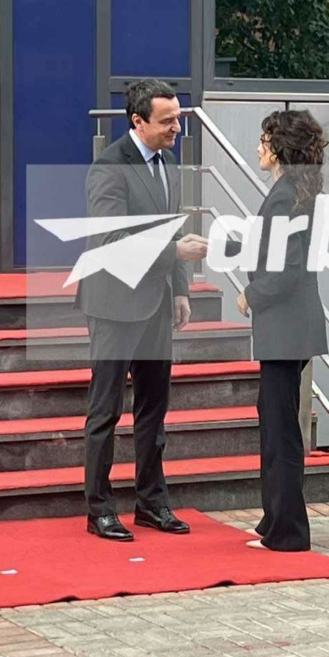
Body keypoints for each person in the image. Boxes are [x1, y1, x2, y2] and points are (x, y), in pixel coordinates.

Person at [77, 79, 208, 541]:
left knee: (154, 411)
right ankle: (99, 510)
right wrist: (175, 254)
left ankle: (152, 503)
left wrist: (180, 289)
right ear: (137, 121)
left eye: (178, 118)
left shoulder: (168, 163)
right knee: (106, 411)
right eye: (167, 120)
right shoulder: (108, 167)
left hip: (156, 303)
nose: (177, 128)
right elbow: (112, 238)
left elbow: (171, 228)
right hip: (114, 305)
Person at [236, 110, 329, 552]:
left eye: (263, 139)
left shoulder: (284, 196)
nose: (258, 147)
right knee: (276, 424)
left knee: (280, 433)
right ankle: (273, 518)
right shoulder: (297, 191)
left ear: (277, 148)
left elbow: (287, 269)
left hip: (285, 327)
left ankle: (288, 532)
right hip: (293, 327)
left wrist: (250, 296)